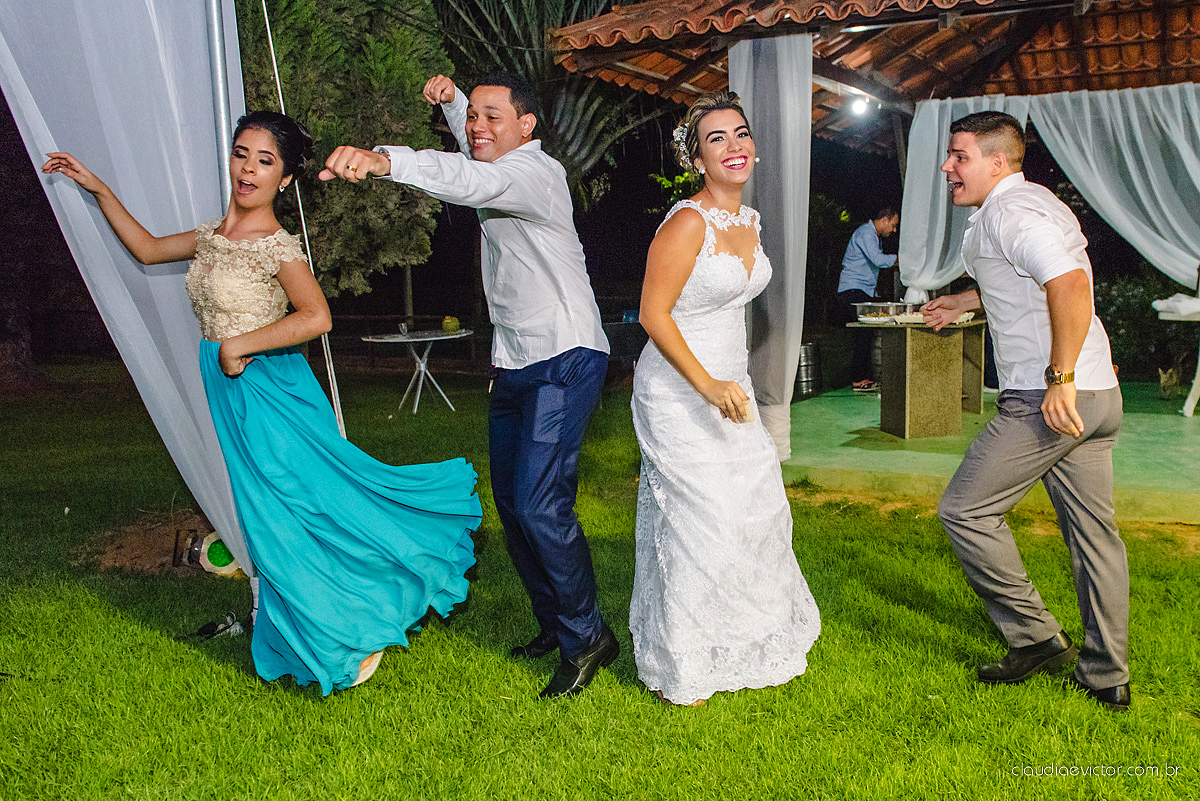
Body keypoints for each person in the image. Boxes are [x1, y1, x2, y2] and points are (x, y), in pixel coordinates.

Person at [43, 111, 482, 695]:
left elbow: (317, 316)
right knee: (270, 514)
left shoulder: (277, 247)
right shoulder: (211, 237)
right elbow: (146, 249)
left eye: (265, 161)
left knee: (298, 506)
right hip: (230, 385)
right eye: (241, 154)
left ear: (285, 179)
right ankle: (313, 620)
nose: (248, 169)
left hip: (268, 387)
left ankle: (355, 620)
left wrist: (240, 345)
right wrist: (99, 188)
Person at [319, 73, 616, 699]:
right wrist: (457, 105)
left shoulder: (534, 174)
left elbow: (472, 177)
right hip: (515, 360)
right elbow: (477, 151)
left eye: (492, 116)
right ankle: (556, 624)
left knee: (539, 504)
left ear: (527, 126)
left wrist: (385, 161)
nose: (478, 127)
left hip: (563, 354)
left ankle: (589, 637)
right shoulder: (497, 155)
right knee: (513, 503)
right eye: (473, 116)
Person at [922, 111, 1128, 711]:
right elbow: (1026, 282)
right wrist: (965, 301)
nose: (947, 166)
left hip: (1049, 399)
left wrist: (1059, 378)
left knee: (965, 511)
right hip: (1098, 395)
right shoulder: (1031, 202)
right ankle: (1106, 675)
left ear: (996, 162)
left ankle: (1036, 638)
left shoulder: (1008, 212)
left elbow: (1068, 284)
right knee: (1094, 538)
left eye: (959, 156)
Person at [629, 92, 821, 706]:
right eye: (717, 139)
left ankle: (745, 638)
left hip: (731, 386)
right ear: (698, 160)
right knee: (698, 517)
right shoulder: (688, 222)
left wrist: (727, 382)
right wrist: (707, 384)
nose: (734, 146)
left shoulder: (749, 221)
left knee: (748, 509)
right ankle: (685, 661)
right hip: (679, 388)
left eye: (741, 134)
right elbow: (652, 314)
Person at [837, 208, 899, 391]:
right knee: (864, 331)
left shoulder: (873, 236)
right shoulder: (866, 232)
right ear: (885, 219)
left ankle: (863, 376)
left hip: (861, 290)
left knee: (866, 332)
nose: (894, 230)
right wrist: (903, 260)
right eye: (893, 225)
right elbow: (878, 260)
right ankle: (859, 378)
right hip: (853, 290)